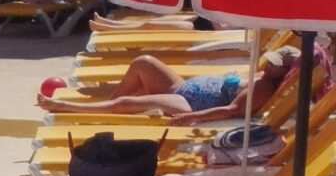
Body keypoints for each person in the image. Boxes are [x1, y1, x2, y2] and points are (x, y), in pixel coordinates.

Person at [40, 41, 314, 121]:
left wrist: (192, 118)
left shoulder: (264, 86)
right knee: (144, 62)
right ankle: (105, 109)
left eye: (275, 65)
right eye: (270, 59)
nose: (268, 64)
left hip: (189, 103)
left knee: (128, 102)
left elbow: (232, 110)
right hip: (184, 87)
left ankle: (64, 107)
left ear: (284, 73)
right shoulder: (263, 75)